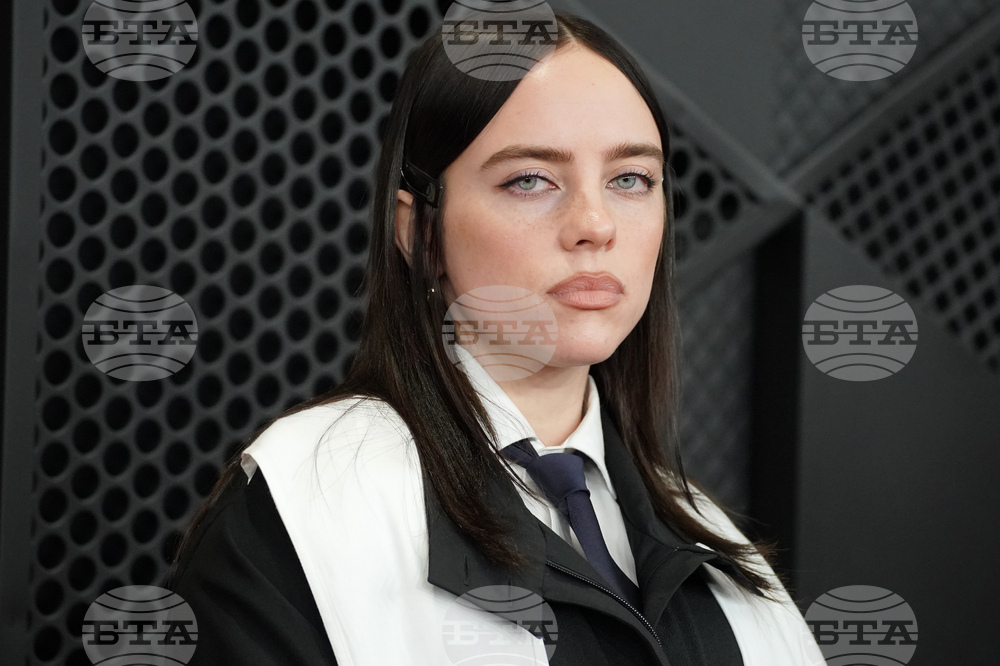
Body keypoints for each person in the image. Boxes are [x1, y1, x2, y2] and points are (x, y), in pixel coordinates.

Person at [167, 11, 822, 666]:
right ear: (420, 232)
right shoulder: (308, 499)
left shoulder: (715, 544)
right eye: (529, 180)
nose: (595, 224)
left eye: (630, 179)